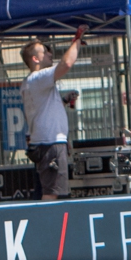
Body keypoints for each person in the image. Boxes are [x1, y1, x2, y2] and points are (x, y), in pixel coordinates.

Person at [20, 25, 86, 200]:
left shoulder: (33, 82)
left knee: (52, 192)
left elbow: (43, 109)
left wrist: (63, 100)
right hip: (50, 144)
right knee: (52, 195)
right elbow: (67, 63)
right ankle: (49, 226)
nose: (50, 54)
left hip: (47, 144)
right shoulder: (38, 78)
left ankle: (51, 225)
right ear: (35, 59)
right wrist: (77, 40)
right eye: (45, 52)